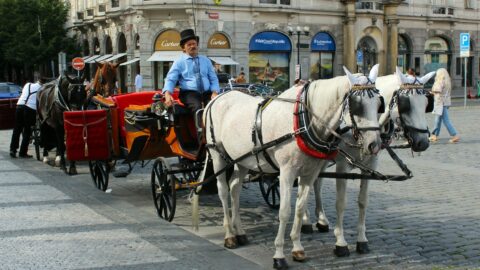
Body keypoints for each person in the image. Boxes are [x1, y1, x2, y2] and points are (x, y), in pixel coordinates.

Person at [162, 28, 219, 128]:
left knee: (216, 106)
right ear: (183, 48)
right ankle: (202, 138)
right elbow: (170, 79)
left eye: (194, 43)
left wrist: (214, 92)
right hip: (189, 94)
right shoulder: (179, 62)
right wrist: (167, 94)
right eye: (189, 44)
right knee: (197, 108)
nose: (193, 46)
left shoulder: (206, 60)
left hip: (207, 93)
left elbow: (213, 79)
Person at [9, 77, 45, 158]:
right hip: (30, 109)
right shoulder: (42, 89)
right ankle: (22, 152)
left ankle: (13, 149)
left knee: (17, 129)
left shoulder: (27, 84)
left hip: (19, 106)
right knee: (27, 131)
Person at [429, 68, 460, 143]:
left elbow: (437, 90)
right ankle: (434, 135)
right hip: (445, 102)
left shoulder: (440, 81)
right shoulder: (447, 82)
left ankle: (454, 135)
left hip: (439, 103)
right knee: (438, 120)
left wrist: (431, 92)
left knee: (444, 120)